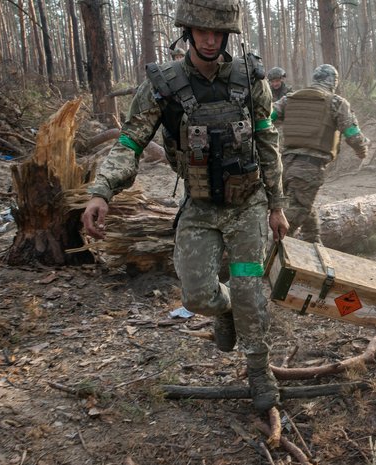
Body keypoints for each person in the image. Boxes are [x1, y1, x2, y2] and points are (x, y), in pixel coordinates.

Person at [80, 0, 289, 413]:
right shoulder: (163, 84)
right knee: (196, 296)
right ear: (187, 32)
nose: (211, 40)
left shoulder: (250, 78)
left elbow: (267, 143)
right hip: (200, 206)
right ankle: (223, 309)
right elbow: (130, 142)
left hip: (248, 204)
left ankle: (259, 371)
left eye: (218, 33)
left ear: (228, 34)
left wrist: (276, 204)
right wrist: (102, 190)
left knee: (250, 290)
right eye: (202, 32)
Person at [271, 64, 368, 243]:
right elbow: (352, 135)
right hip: (309, 165)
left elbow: (267, 118)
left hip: (284, 163)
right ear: (334, 82)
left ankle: (313, 240)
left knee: (300, 203)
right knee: (297, 210)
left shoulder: (288, 99)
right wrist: (362, 150)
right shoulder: (336, 102)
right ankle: (269, 254)